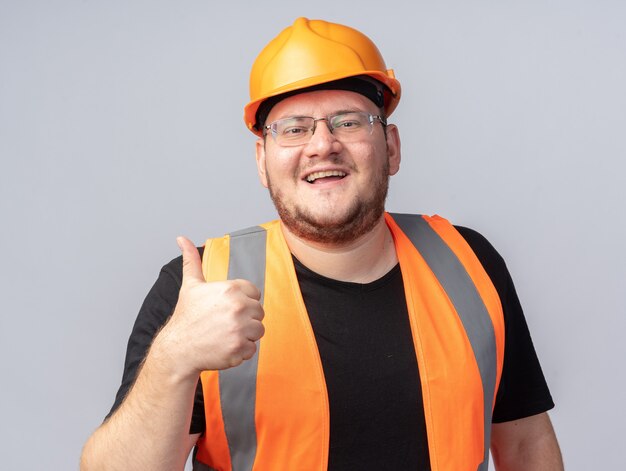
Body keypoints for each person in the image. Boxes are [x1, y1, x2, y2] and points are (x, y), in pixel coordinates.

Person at [81, 17, 563, 471]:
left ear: (391, 148)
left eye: (349, 122)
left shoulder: (468, 262)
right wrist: (174, 359)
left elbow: (525, 442)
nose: (321, 145)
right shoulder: (203, 288)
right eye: (293, 129)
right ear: (262, 162)